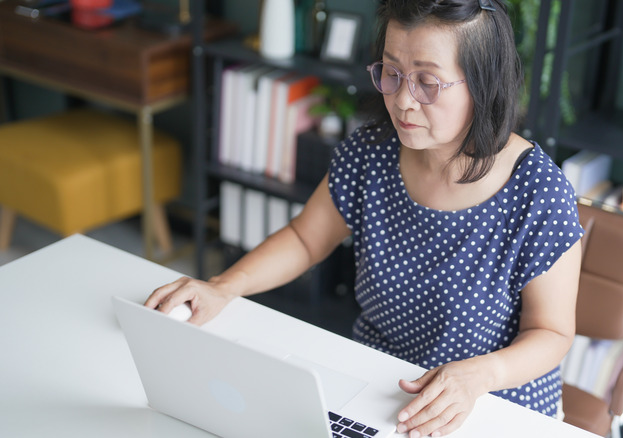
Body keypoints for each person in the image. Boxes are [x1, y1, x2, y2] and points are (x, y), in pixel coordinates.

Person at [146, 0, 584, 436]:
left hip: (493, 404)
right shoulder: (372, 151)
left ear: (483, 83)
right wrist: (223, 287)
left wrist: (478, 376)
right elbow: (305, 239)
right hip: (380, 385)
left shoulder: (539, 194)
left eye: (427, 82)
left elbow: (551, 332)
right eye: (391, 73)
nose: (402, 101)